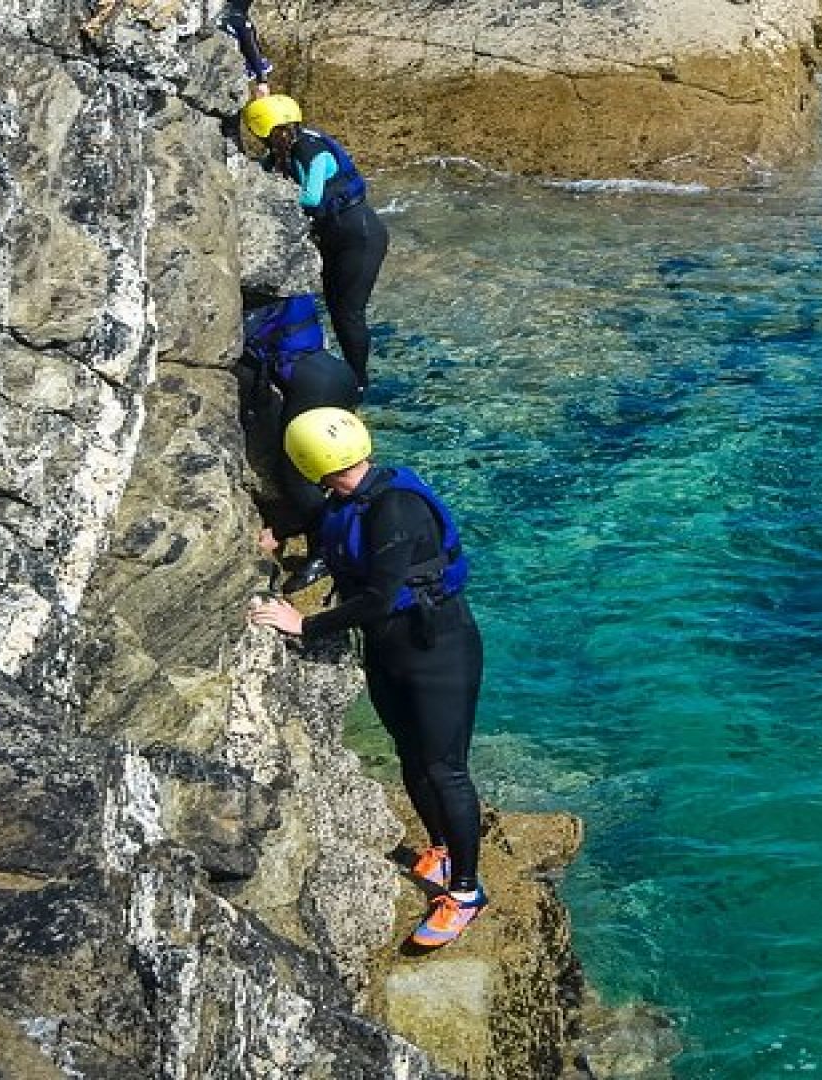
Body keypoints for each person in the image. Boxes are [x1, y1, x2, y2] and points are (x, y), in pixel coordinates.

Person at [246, 408, 488, 948]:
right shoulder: (347, 495)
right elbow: (323, 519)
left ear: (308, 462)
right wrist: (277, 533)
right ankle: (444, 849)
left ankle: (467, 893)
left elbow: (379, 599)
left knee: (444, 768)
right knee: (410, 755)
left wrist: (303, 624)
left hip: (439, 650)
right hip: (392, 651)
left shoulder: (396, 507)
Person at [240, 94, 389, 394]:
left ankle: (359, 384)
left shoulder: (312, 149)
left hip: (359, 236)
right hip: (337, 236)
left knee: (348, 313)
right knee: (333, 308)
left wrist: (272, 193)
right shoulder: (284, 150)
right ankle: (337, 371)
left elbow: (311, 197)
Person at [241, 292, 361, 588]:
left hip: (318, 386)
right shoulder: (286, 291)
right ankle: (322, 529)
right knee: (322, 476)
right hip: (335, 374)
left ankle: (324, 554)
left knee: (298, 475)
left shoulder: (255, 303)